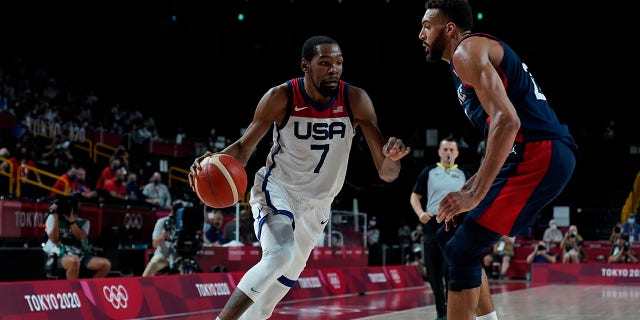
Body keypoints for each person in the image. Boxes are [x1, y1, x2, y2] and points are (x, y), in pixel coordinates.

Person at [188, 35, 410, 320]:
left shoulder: (355, 100)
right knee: (279, 254)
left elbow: (387, 174)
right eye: (325, 63)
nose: (334, 69)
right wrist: (213, 161)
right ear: (305, 65)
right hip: (278, 189)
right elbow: (244, 148)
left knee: (265, 306)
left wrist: (392, 159)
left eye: (339, 63)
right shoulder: (281, 97)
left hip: (318, 207)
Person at [418, 1, 578, 319]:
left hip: (540, 151)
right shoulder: (462, 64)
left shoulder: (466, 52)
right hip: (532, 151)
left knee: (462, 249)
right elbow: (499, 137)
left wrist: (473, 194)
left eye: (427, 25)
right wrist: (469, 189)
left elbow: (508, 121)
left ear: (449, 28)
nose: (421, 33)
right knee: (450, 234)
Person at [410, 137, 468, 320]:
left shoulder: (465, 174)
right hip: (432, 224)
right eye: (445, 149)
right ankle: (441, 312)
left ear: (457, 153)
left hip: (456, 225)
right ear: (439, 152)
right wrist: (420, 214)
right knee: (433, 271)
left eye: (452, 149)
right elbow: (414, 196)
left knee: (450, 270)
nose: (448, 152)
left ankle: (452, 311)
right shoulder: (429, 172)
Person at [42, 194, 111, 279]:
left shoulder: (84, 222)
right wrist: (56, 219)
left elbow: (80, 237)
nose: (78, 205)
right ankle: (74, 290)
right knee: (74, 260)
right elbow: (54, 239)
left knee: (105, 264)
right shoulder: (53, 217)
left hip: (79, 253)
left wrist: (72, 221)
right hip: (58, 254)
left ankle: (89, 288)